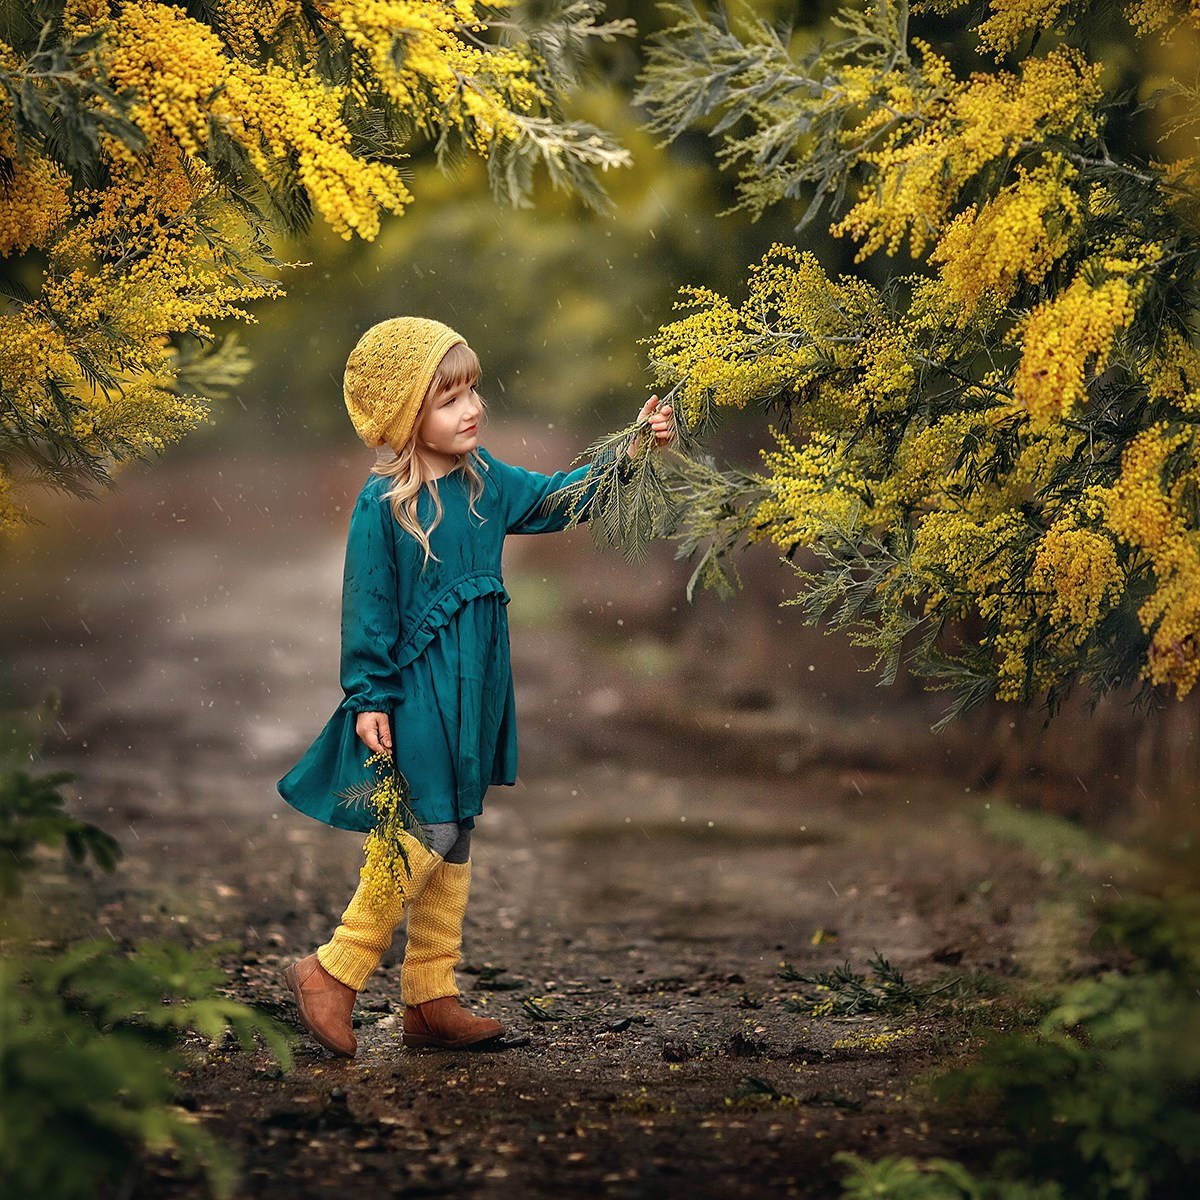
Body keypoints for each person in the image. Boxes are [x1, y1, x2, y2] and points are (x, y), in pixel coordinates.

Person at [279, 316, 673, 1056]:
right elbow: (368, 604)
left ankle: (430, 995)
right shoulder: (385, 505)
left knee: (456, 825)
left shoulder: (488, 481)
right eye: (447, 399)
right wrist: (368, 696)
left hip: (478, 683)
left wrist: (631, 450)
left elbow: (563, 498)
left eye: (472, 391)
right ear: (405, 416)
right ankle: (333, 969)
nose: (470, 410)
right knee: (425, 826)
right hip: (418, 686)